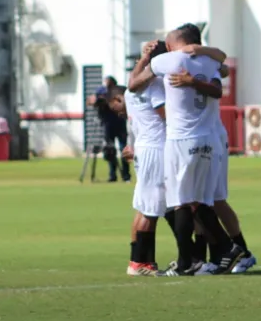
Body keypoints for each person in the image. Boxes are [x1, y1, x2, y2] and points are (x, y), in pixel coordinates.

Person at [147, 27, 244, 276]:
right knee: (202, 201)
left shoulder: (169, 60)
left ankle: (196, 259)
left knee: (181, 202)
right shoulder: (210, 61)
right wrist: (202, 55)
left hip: (182, 138)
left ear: (172, 45)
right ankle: (212, 254)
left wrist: (146, 57)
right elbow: (221, 67)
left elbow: (136, 81)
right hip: (208, 137)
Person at [174, 26, 258, 274]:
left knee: (213, 199)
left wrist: (201, 55)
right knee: (203, 200)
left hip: (210, 137)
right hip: (201, 139)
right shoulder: (185, 64)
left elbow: (221, 66)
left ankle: (241, 252)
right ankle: (207, 257)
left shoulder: (205, 63)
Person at [120, 40, 169, 276]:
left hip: (143, 147)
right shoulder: (156, 85)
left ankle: (142, 261)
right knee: (150, 209)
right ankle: (138, 263)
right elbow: (166, 116)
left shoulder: (131, 89)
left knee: (143, 207)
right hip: (155, 147)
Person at [87, 76, 131, 183]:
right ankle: (113, 175)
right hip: (107, 125)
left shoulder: (119, 90)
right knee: (110, 150)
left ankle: (126, 176)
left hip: (120, 124)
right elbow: (91, 101)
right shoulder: (102, 91)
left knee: (123, 149)